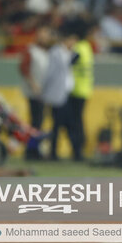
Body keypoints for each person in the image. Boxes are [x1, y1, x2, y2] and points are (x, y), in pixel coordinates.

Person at [41, 26, 78, 161]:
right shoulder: (56, 52)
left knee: (64, 124)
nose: (74, 43)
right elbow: (50, 74)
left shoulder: (70, 52)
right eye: (73, 40)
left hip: (66, 94)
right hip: (57, 95)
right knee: (59, 124)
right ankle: (55, 152)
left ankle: (69, 151)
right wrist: (45, 91)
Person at [19, 26, 52, 160]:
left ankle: (35, 149)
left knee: (39, 122)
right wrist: (33, 84)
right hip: (34, 92)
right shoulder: (32, 50)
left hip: (43, 92)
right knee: (36, 122)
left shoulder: (46, 52)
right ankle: (32, 150)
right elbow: (24, 68)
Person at [67, 21, 95, 161]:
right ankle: (79, 150)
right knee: (78, 121)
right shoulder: (87, 47)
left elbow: (69, 62)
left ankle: (77, 151)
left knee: (75, 122)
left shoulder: (78, 48)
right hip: (85, 89)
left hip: (76, 90)